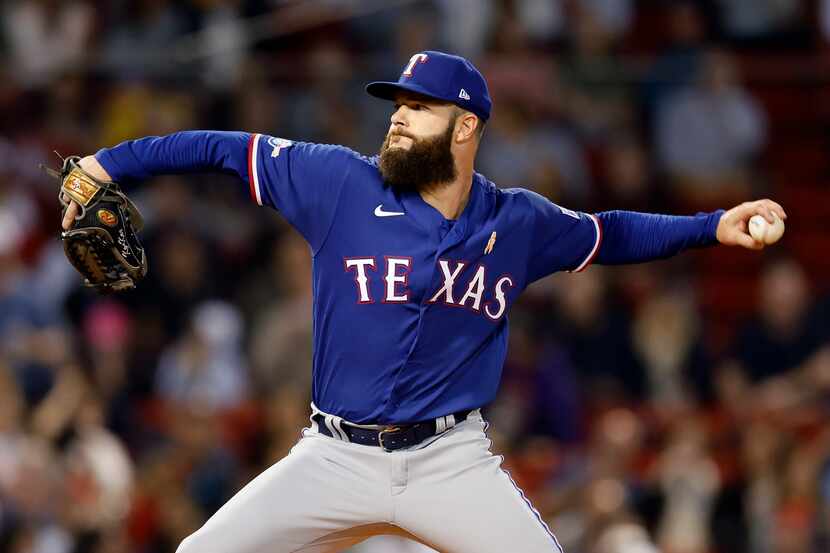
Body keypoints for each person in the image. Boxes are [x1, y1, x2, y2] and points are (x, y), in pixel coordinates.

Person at [61, 51, 786, 553]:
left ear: (466, 126)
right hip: (333, 457)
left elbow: (611, 231)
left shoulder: (517, 222)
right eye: (396, 105)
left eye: (419, 107)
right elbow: (219, 146)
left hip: (449, 460)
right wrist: (106, 164)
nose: (398, 119)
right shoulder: (338, 182)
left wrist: (712, 225)